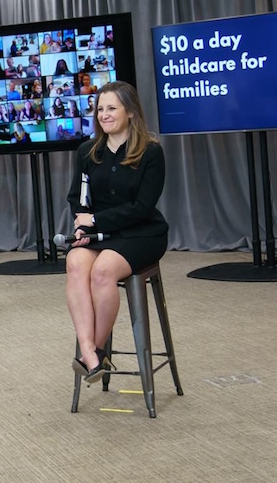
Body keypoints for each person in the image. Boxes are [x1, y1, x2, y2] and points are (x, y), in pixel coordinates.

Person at [64, 81, 168, 382]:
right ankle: (91, 353)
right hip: (99, 235)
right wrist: (80, 220)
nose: (104, 115)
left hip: (141, 233)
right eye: (100, 109)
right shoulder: (87, 151)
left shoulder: (150, 152)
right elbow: (77, 197)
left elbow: (142, 207)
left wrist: (94, 221)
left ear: (131, 112)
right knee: (74, 262)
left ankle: (93, 350)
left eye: (112, 108)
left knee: (102, 271)